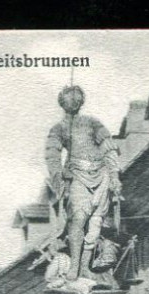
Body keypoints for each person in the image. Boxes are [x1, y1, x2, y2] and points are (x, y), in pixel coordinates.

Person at [45, 85, 121, 282]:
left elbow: (108, 147)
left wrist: (114, 176)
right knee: (78, 219)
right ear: (62, 103)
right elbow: (52, 155)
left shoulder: (92, 123)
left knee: (95, 223)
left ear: (81, 102)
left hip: (101, 174)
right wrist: (59, 177)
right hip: (77, 174)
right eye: (70, 99)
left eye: (77, 99)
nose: (74, 102)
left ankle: (86, 267)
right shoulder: (59, 128)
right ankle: (75, 267)